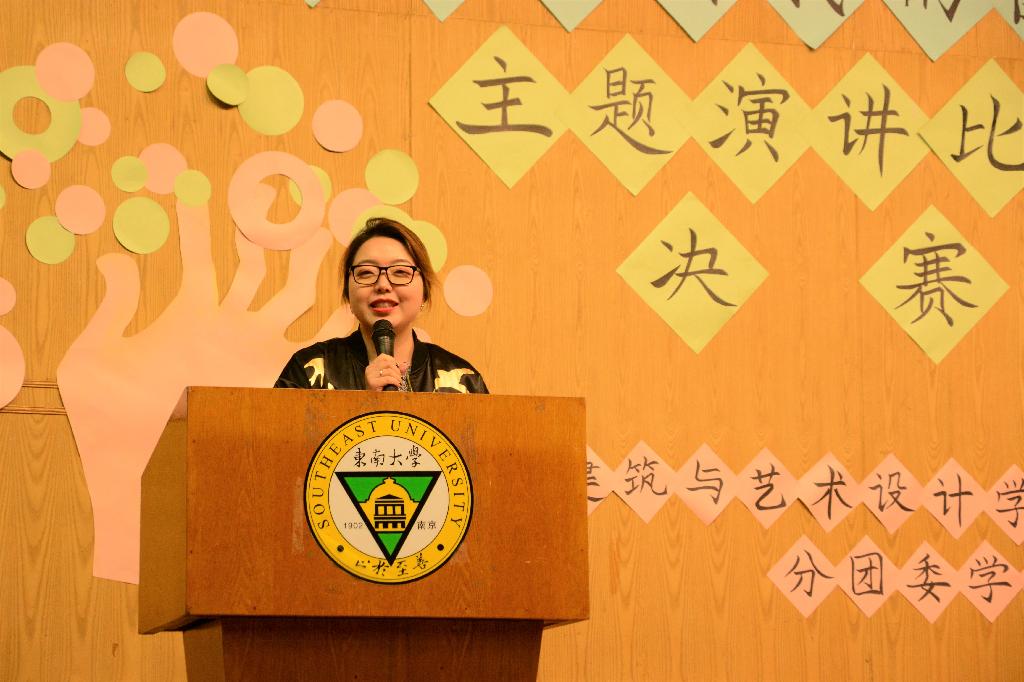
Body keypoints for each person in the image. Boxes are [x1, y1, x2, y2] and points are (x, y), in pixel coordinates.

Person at [275, 218, 488, 394]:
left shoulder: (462, 381)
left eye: (400, 272)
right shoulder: (309, 371)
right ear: (348, 293)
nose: (383, 285)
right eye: (366, 272)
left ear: (425, 291)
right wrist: (364, 402)